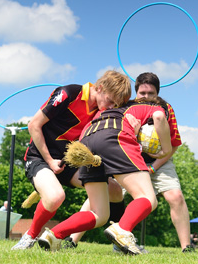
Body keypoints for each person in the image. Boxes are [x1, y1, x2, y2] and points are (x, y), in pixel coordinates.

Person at [67, 72, 194, 253]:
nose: (146, 97)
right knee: (100, 193)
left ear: (157, 93)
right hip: (128, 159)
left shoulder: (165, 108)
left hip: (160, 161)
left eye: (151, 93)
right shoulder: (124, 106)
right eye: (142, 93)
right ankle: (72, 240)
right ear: (136, 93)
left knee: (176, 197)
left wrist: (153, 166)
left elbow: (173, 144)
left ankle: (186, 247)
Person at [36, 93, 172, 255]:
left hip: (87, 141)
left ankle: (54, 235)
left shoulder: (113, 109)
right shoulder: (155, 107)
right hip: (114, 136)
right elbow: (158, 117)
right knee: (148, 197)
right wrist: (167, 149)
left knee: (99, 214)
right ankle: (122, 229)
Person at [11, 70, 130, 251]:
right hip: (40, 158)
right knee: (55, 197)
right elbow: (34, 125)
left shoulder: (102, 111)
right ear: (100, 88)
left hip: (69, 163)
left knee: (114, 190)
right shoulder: (69, 94)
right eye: (111, 100)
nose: (112, 106)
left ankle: (121, 240)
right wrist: (50, 161)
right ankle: (30, 236)